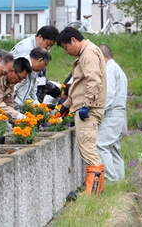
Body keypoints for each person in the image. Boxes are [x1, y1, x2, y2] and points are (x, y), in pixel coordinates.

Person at [57, 27, 107, 195]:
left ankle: (91, 194)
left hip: (89, 110)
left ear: (73, 40)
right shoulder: (85, 53)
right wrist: (67, 105)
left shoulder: (89, 53)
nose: (66, 52)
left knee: (88, 150)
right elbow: (80, 85)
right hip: (84, 106)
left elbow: (94, 79)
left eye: (65, 47)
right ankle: (95, 192)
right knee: (88, 149)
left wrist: (87, 104)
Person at [96, 44, 128, 183]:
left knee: (101, 145)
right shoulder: (117, 68)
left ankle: (110, 180)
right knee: (114, 148)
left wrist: (98, 112)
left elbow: (108, 95)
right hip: (118, 114)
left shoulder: (108, 70)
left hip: (111, 114)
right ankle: (120, 181)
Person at [10, 25, 60, 104]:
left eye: (51, 46)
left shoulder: (38, 52)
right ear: (40, 37)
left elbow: (33, 80)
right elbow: (16, 82)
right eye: (48, 44)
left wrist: (35, 102)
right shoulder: (25, 49)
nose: (48, 48)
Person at [0, 57, 32, 123]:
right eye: (20, 78)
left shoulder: (10, 83)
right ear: (12, 71)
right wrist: (17, 115)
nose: (20, 81)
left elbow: (9, 104)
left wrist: (17, 120)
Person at [13, 47, 52, 112]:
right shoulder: (22, 66)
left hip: (19, 108)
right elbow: (12, 92)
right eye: (45, 65)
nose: (44, 68)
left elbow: (32, 93)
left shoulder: (34, 69)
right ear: (40, 60)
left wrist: (40, 108)